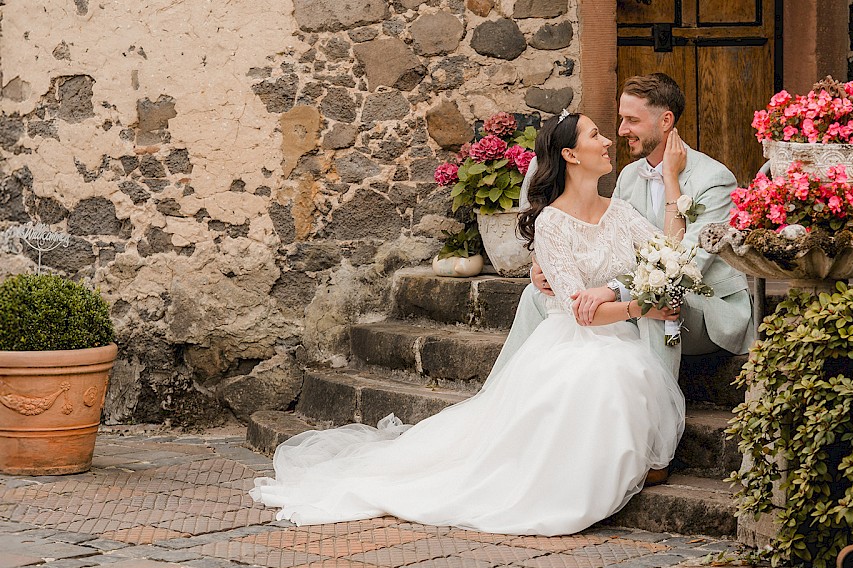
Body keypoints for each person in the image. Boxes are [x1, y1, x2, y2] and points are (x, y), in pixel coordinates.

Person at [249, 112, 687, 537]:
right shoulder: (552, 223)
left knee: (625, 371)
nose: (608, 140)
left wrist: (670, 184)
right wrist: (641, 309)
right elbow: (579, 312)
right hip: (575, 341)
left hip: (618, 338)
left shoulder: (620, 212)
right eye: (596, 135)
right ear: (571, 155)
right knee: (605, 376)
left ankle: (619, 468)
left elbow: (668, 256)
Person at [494, 73, 755, 380]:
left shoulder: (714, 179)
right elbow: (608, 243)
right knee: (536, 297)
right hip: (642, 290)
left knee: (657, 301)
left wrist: (611, 290)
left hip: (705, 306)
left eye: (632, 120)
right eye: (621, 120)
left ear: (666, 121)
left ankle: (659, 403)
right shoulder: (630, 176)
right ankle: (518, 387)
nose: (620, 131)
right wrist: (546, 269)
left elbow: (686, 264)